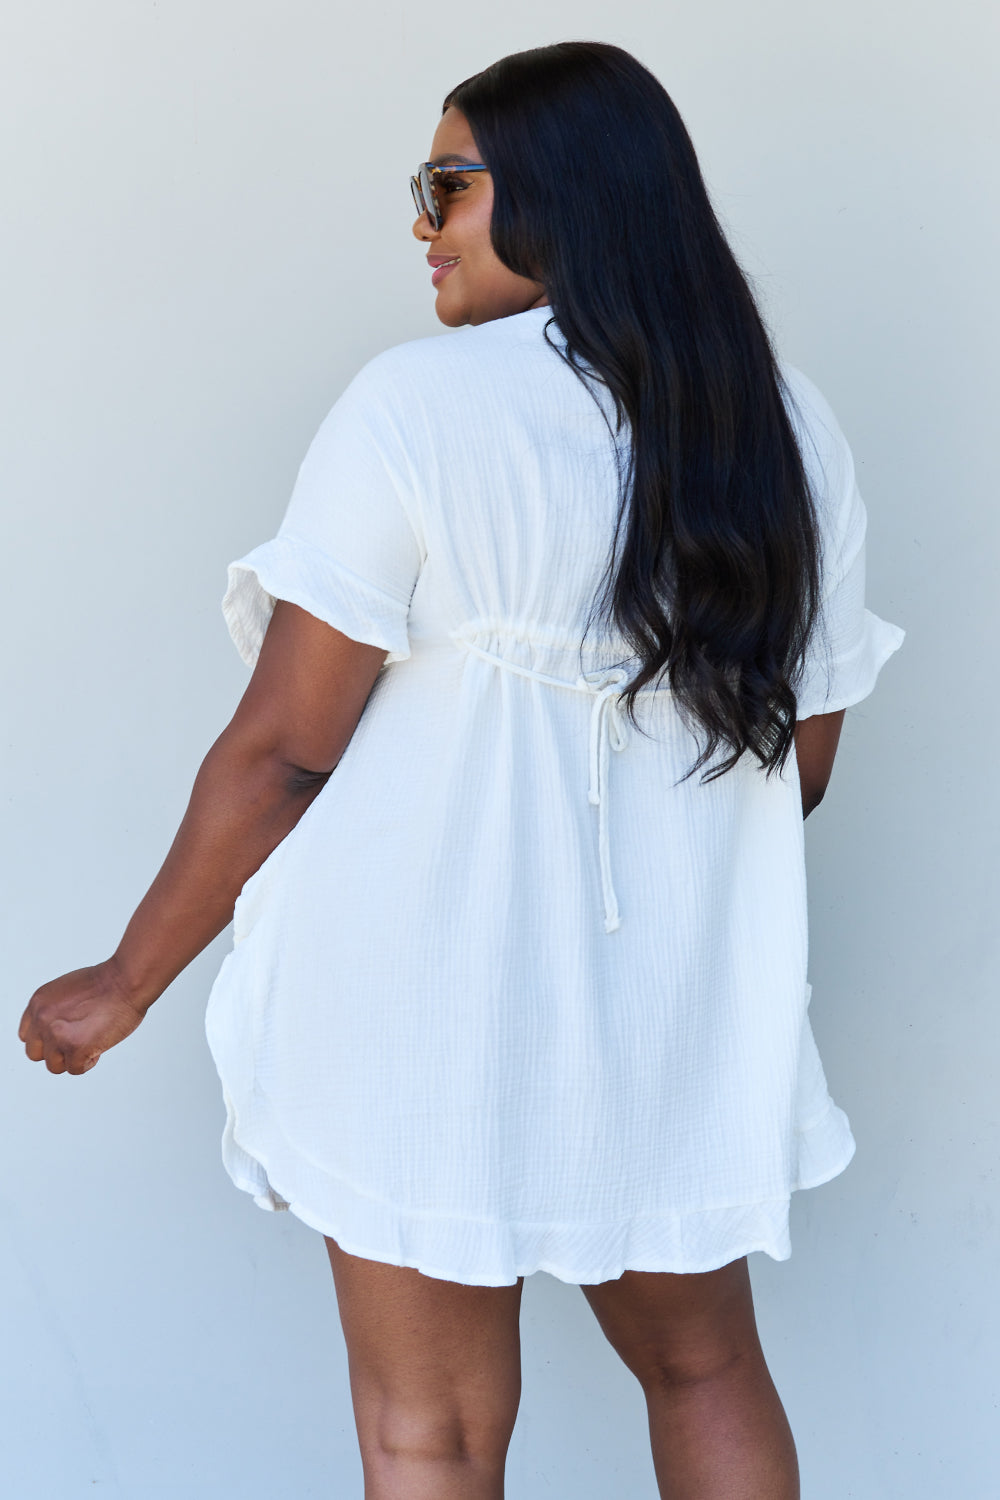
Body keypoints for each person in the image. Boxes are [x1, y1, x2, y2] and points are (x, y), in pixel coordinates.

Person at [18, 39, 904, 1500]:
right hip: (675, 1010)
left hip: (421, 1005)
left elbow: (285, 750)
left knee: (428, 1433)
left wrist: (125, 981)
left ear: (561, 195)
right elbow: (799, 768)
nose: (421, 227)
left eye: (447, 185)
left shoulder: (418, 408)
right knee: (703, 1367)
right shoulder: (784, 428)